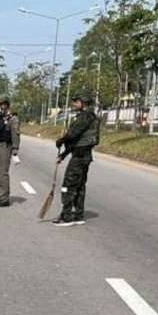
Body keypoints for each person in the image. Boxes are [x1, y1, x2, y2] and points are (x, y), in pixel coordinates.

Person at [53, 92, 101, 227]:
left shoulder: (86, 116)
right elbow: (76, 140)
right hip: (82, 155)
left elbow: (73, 134)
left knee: (68, 186)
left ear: (83, 103)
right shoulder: (88, 116)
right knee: (79, 186)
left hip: (80, 157)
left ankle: (67, 216)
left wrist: (61, 140)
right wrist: (63, 154)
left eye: (76, 101)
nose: (73, 104)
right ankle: (78, 214)